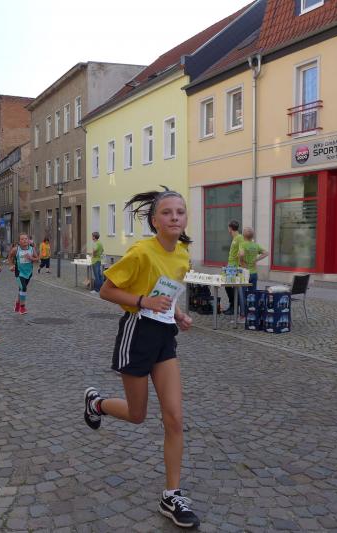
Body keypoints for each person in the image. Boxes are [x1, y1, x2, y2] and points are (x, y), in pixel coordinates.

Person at [83, 188, 200, 529]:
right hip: (136, 333)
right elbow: (106, 290)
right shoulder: (140, 252)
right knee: (137, 415)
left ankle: (172, 495)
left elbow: (166, 293)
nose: (175, 217)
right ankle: (97, 404)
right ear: (154, 220)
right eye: (167, 212)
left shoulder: (182, 255)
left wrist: (178, 314)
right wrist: (143, 302)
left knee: (174, 418)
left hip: (164, 336)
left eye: (180, 212)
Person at [8, 233, 38, 314]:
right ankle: (22, 308)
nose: (24, 240)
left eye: (26, 239)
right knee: (23, 288)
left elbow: (37, 259)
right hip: (19, 272)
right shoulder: (16, 249)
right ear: (19, 241)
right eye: (22, 239)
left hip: (28, 272)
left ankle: (17, 304)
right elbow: (10, 256)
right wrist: (11, 265)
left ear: (28, 240)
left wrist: (31, 258)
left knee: (21, 289)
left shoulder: (32, 249)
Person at [238, 227, 268, 297]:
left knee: (242, 294)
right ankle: (252, 304)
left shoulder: (242, 244)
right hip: (254, 273)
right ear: (252, 236)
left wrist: (241, 261)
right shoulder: (255, 245)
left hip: (245, 273)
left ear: (243, 236)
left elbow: (241, 254)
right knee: (252, 295)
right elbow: (266, 253)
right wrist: (256, 259)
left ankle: (243, 304)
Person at [224, 220, 243, 316]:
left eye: (228, 227)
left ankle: (234, 307)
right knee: (227, 286)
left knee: (230, 286)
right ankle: (232, 305)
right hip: (230, 266)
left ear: (230, 228)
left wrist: (239, 265)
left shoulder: (239, 238)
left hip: (234, 267)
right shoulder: (235, 238)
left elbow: (241, 252)